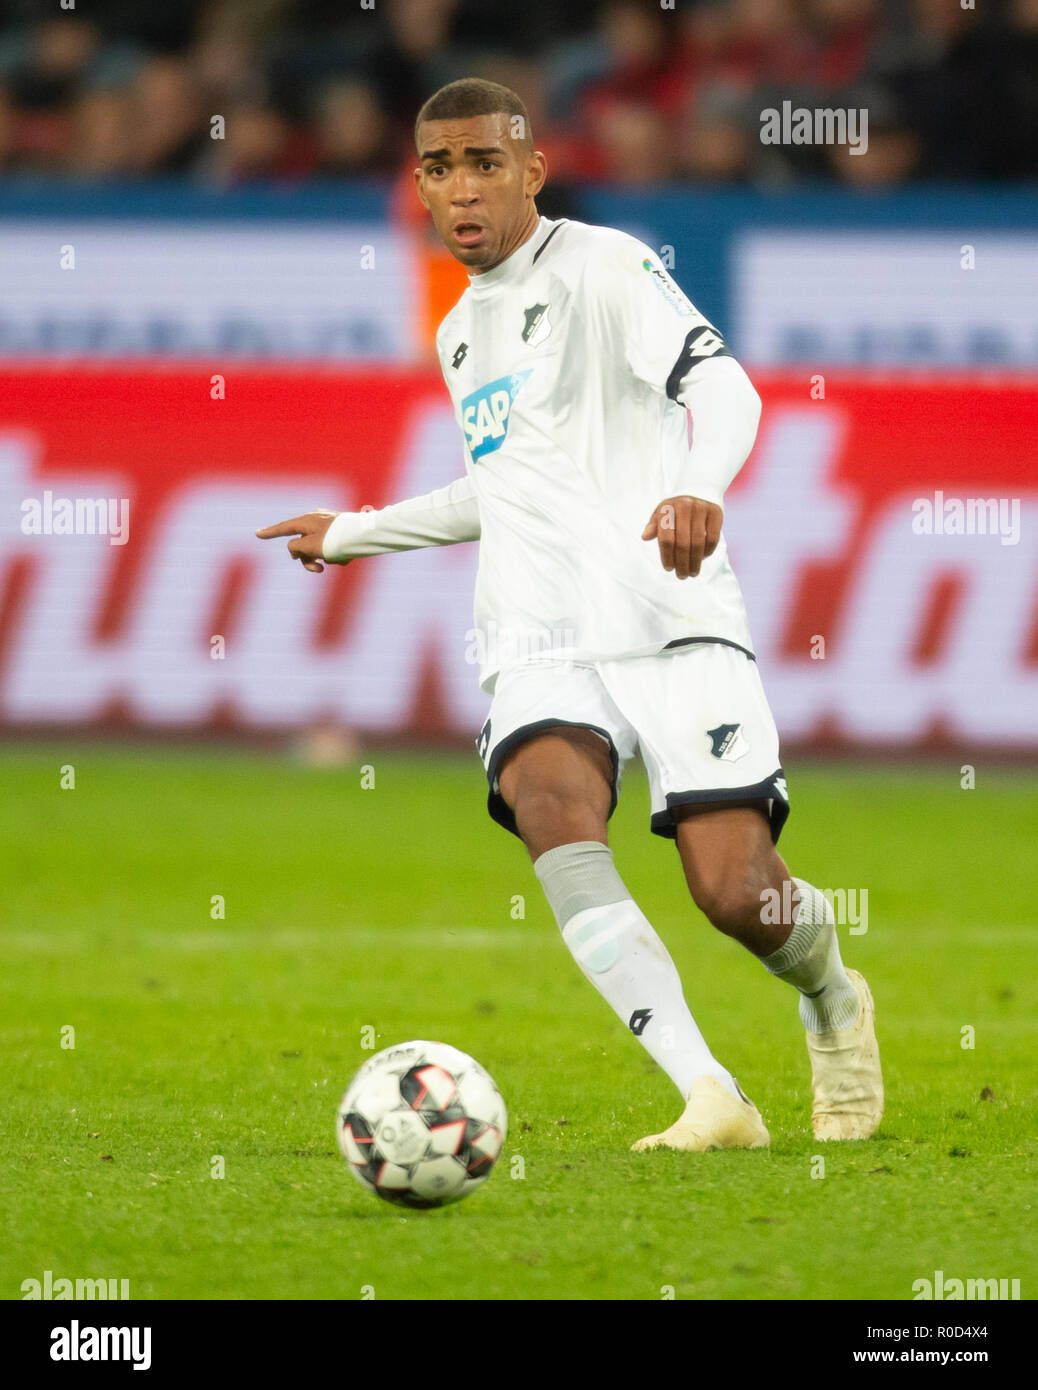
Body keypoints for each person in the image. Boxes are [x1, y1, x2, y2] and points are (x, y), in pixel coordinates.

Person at [257, 77, 883, 1152]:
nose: (463, 189)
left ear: (531, 172)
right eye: (440, 169)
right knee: (548, 801)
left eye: (485, 164)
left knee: (734, 892)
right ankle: (709, 1094)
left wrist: (704, 489)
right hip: (537, 631)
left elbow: (724, 388)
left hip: (666, 610)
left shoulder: (606, 265)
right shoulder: (459, 332)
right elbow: (499, 491)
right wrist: (356, 531)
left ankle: (831, 993)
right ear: (419, 185)